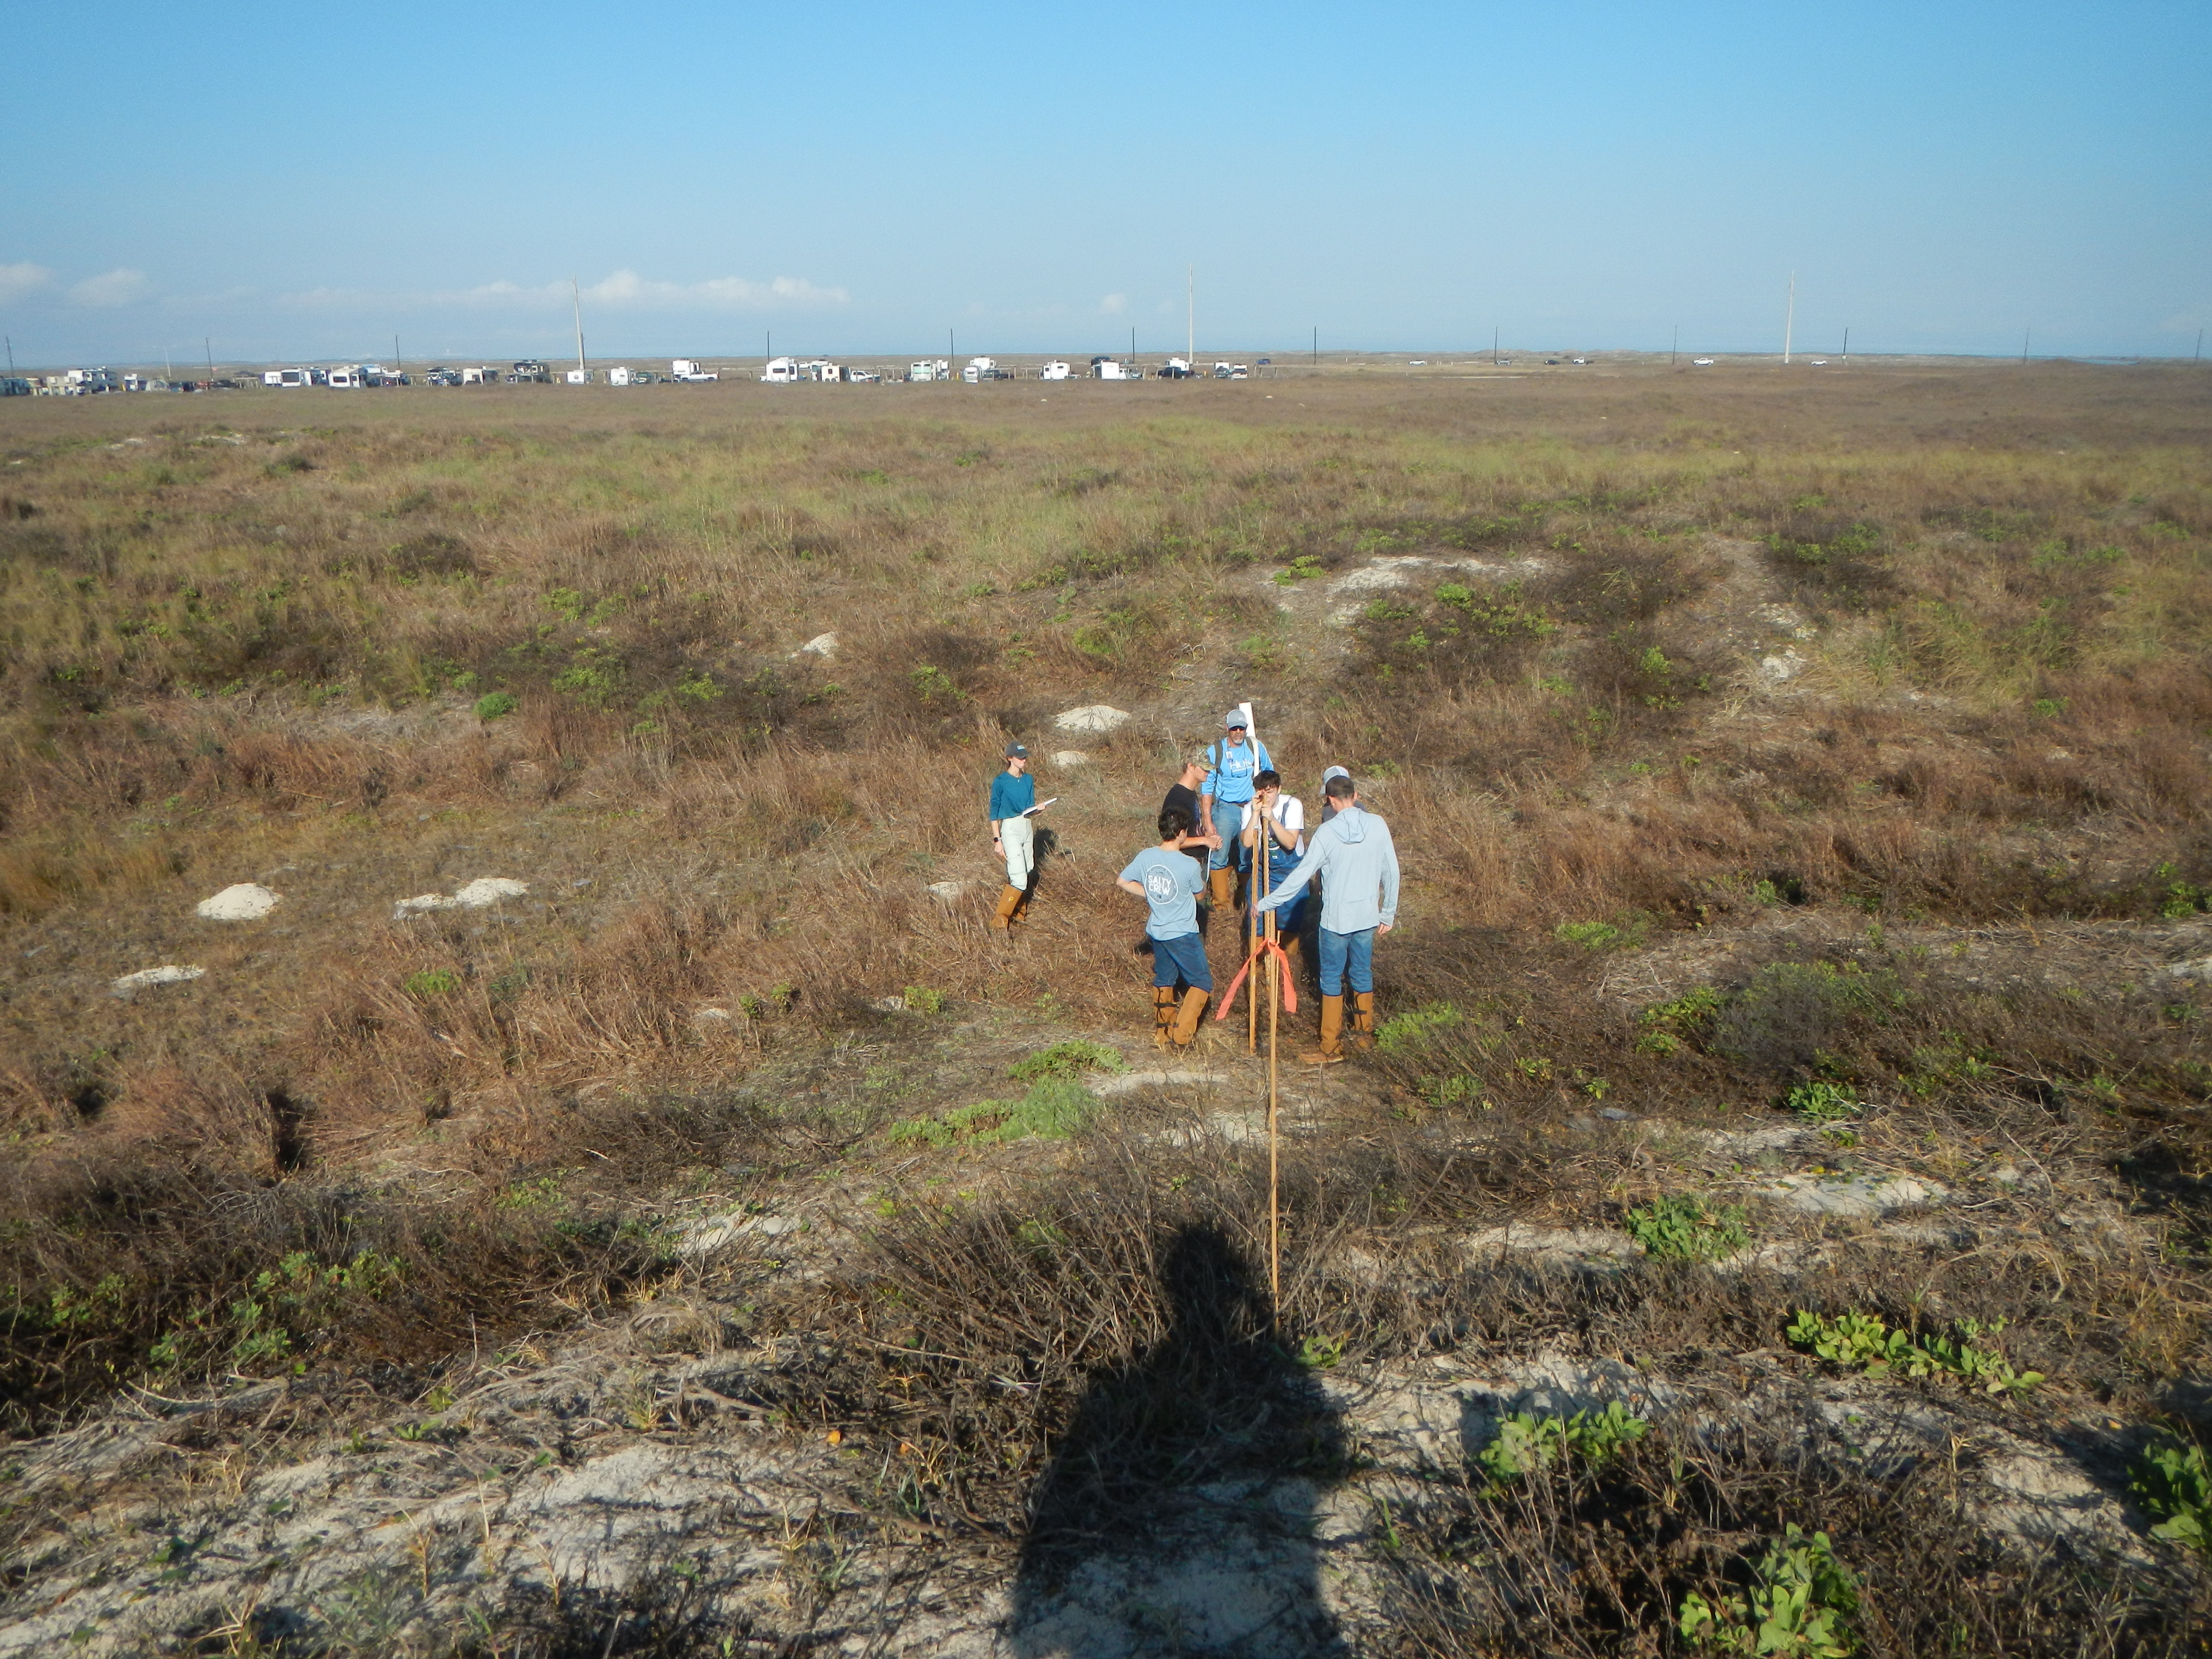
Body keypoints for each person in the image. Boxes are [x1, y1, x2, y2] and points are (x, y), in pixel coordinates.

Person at [1252, 772, 1399, 1064]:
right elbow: (1391, 872)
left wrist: (1268, 902)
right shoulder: (1378, 825)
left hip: (1335, 921)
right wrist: (1388, 912)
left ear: (1331, 801)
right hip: (1367, 917)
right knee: (1361, 973)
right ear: (1355, 796)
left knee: (1331, 979)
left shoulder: (1327, 833)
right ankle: (1364, 1037)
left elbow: (1300, 877)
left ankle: (1330, 1047)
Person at [1117, 804, 1213, 1048]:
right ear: (1181, 833)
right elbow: (1200, 895)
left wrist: (1150, 894)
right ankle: (1182, 1035)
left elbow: (1123, 881)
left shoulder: (1146, 856)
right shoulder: (1189, 864)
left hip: (1157, 931)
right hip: (1183, 933)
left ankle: (1162, 1032)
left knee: (1165, 979)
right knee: (1201, 982)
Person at [1198, 710, 1272, 912]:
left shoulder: (1255, 748)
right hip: (1226, 809)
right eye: (1234, 729)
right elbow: (1207, 786)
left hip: (1251, 808)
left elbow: (1269, 775)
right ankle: (1221, 904)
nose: (1238, 732)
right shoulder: (1215, 751)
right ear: (1227, 729)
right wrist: (1207, 818)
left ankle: (1247, 901)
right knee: (1220, 852)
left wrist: (1268, 805)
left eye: (1242, 728)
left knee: (1248, 853)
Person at [1238, 769, 1309, 974]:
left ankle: (1286, 965)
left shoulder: (1292, 805)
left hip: (1291, 869)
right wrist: (1256, 814)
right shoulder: (1250, 809)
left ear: (1278, 789)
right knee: (1256, 912)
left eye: (1269, 792)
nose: (1265, 796)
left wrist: (1272, 819)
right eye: (1261, 791)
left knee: (1290, 915)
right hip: (1262, 868)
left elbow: (1290, 843)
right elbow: (1247, 842)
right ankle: (1259, 965)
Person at [987, 742, 1042, 930]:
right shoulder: (1001, 781)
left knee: (1027, 870)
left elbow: (1029, 809)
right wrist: (998, 840)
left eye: (1025, 757)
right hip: (1010, 828)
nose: (1024, 760)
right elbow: (994, 811)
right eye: (1020, 757)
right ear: (1010, 758)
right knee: (1018, 878)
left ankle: (1020, 913)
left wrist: (1038, 810)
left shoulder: (1028, 780)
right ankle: (1000, 922)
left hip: (1026, 826)